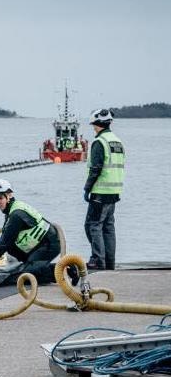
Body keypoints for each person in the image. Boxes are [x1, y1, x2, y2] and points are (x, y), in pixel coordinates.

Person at [0, 179, 79, 285]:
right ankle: (33, 264)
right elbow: (6, 236)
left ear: (9, 195)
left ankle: (68, 270)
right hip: (39, 244)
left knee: (28, 276)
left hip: (49, 243)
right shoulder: (13, 209)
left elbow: (5, 241)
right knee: (12, 250)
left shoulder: (16, 215)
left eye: (0, 198)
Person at [84, 108, 124, 270]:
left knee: (92, 225)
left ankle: (98, 260)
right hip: (114, 192)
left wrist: (87, 188)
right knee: (108, 227)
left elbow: (96, 168)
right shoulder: (117, 141)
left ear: (95, 123)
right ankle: (110, 261)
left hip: (100, 191)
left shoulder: (100, 142)